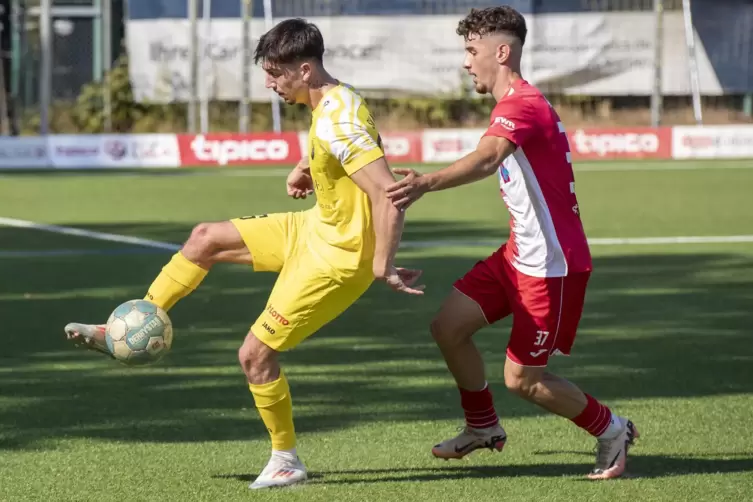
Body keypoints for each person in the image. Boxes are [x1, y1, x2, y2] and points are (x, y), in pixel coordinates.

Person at [64, 18, 424, 490]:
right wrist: (304, 168)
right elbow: (337, 145)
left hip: (337, 259)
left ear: (306, 68)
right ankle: (127, 325)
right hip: (315, 228)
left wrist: (382, 264)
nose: (269, 83)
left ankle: (286, 459)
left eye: (276, 73)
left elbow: (389, 192)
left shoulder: (339, 117)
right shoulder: (335, 97)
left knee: (255, 356)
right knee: (205, 238)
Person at [385, 6, 638, 480]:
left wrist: (427, 183)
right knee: (448, 327)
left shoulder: (522, 105)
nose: (466, 62)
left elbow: (486, 159)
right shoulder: (513, 105)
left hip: (550, 266)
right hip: (517, 256)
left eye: (471, 50)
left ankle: (612, 429)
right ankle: (482, 427)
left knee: (523, 381)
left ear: (501, 52)